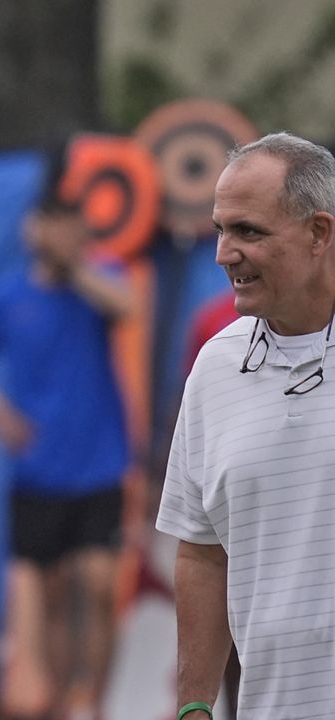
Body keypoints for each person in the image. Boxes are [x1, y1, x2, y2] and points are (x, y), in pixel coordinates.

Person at [156, 131, 335, 718]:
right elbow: (203, 553)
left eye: (249, 232)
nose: (224, 253)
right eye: (221, 230)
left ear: (319, 233)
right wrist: (194, 707)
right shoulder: (215, 366)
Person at [0, 192, 132, 720]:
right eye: (56, 226)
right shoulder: (8, 296)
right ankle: (59, 704)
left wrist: (73, 264)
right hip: (36, 472)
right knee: (50, 594)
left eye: (75, 228)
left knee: (98, 583)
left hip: (99, 463)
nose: (66, 236)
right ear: (35, 229)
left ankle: (94, 703)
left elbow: (126, 307)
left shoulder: (98, 280)